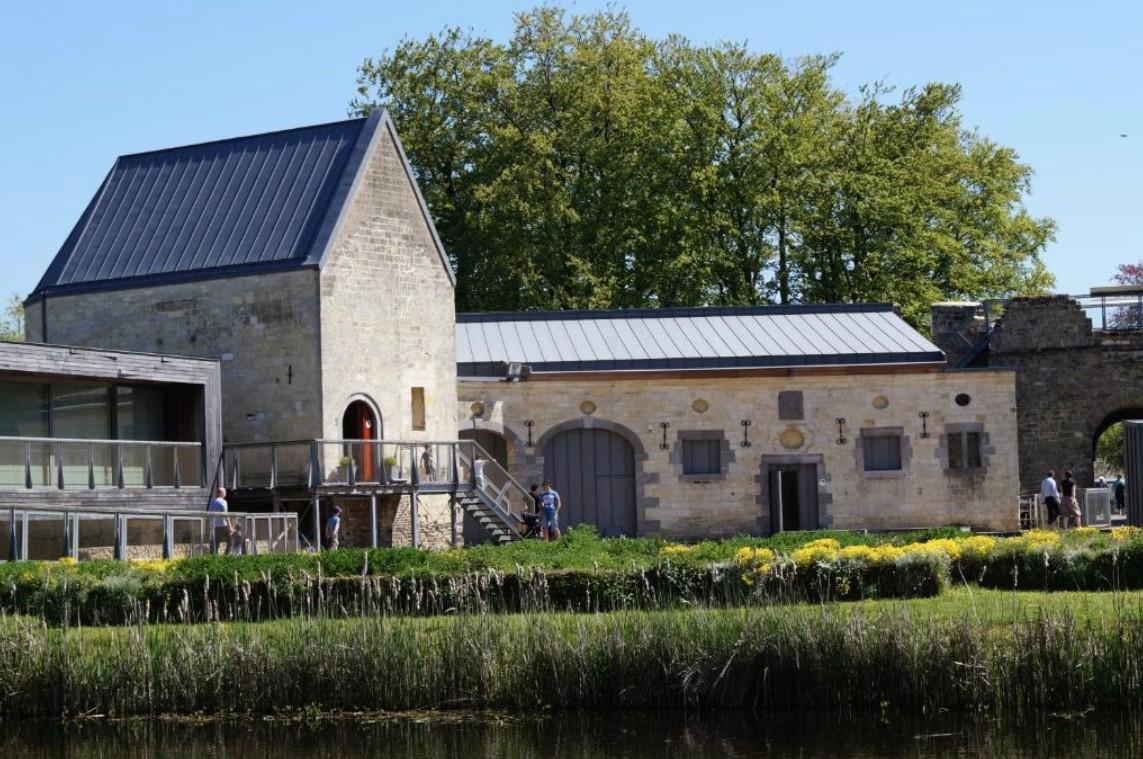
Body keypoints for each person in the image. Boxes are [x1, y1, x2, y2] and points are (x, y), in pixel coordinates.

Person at [208, 486, 232, 554]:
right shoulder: (223, 502)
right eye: (225, 492)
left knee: (216, 541)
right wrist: (230, 526)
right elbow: (225, 514)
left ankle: (214, 555)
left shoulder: (212, 502)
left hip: (215, 525)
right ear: (221, 493)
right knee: (231, 539)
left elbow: (209, 513)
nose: (226, 493)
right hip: (223, 525)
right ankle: (227, 555)